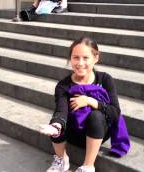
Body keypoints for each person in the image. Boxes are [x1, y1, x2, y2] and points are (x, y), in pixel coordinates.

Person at [39, 37, 130, 172]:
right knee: (56, 125)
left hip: (98, 132)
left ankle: (88, 166)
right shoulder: (63, 85)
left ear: (96, 58)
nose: (80, 63)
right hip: (74, 133)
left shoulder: (105, 79)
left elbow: (115, 113)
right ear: (70, 59)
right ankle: (62, 159)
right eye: (75, 57)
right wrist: (57, 125)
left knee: (96, 116)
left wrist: (90, 101)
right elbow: (61, 111)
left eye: (86, 58)